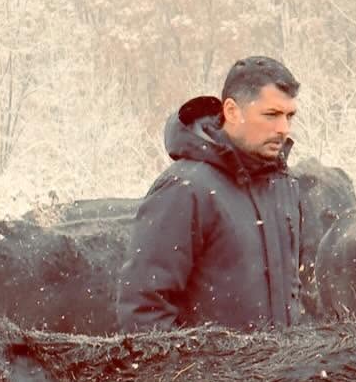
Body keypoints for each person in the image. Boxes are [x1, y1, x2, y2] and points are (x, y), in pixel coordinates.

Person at [119, 55, 304, 331]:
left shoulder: (285, 187)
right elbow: (144, 309)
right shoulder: (185, 189)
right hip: (212, 373)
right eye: (271, 115)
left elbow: (297, 293)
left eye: (289, 116)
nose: (283, 129)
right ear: (232, 111)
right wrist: (194, 372)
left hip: (281, 372)